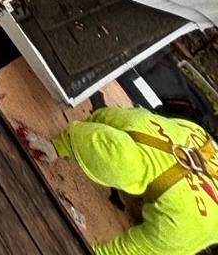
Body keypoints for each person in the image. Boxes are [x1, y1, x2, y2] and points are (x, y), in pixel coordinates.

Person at [20, 106, 218, 254]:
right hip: (181, 147)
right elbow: (97, 127)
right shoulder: (132, 127)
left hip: (196, 218)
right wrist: (60, 145)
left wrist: (60, 145)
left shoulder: (183, 227)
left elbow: (120, 252)